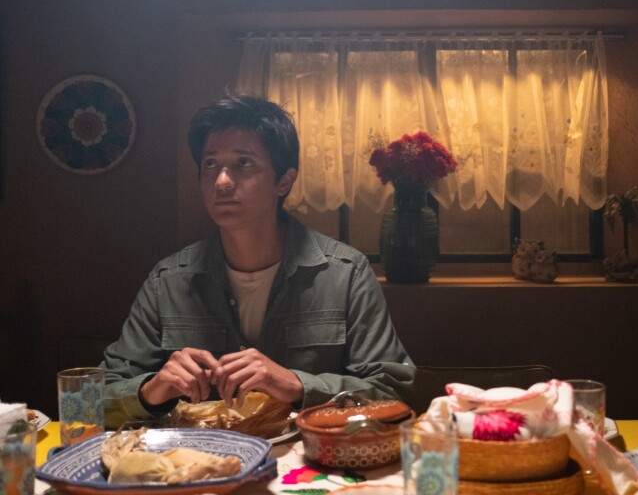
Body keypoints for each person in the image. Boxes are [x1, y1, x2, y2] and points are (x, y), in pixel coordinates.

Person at [101, 90, 414, 428]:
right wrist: (152, 390)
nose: (221, 181)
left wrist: (295, 385)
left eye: (243, 163)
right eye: (210, 164)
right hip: (198, 466)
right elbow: (97, 396)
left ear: (284, 181)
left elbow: (394, 393)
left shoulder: (344, 273)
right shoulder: (169, 280)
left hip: (309, 463)